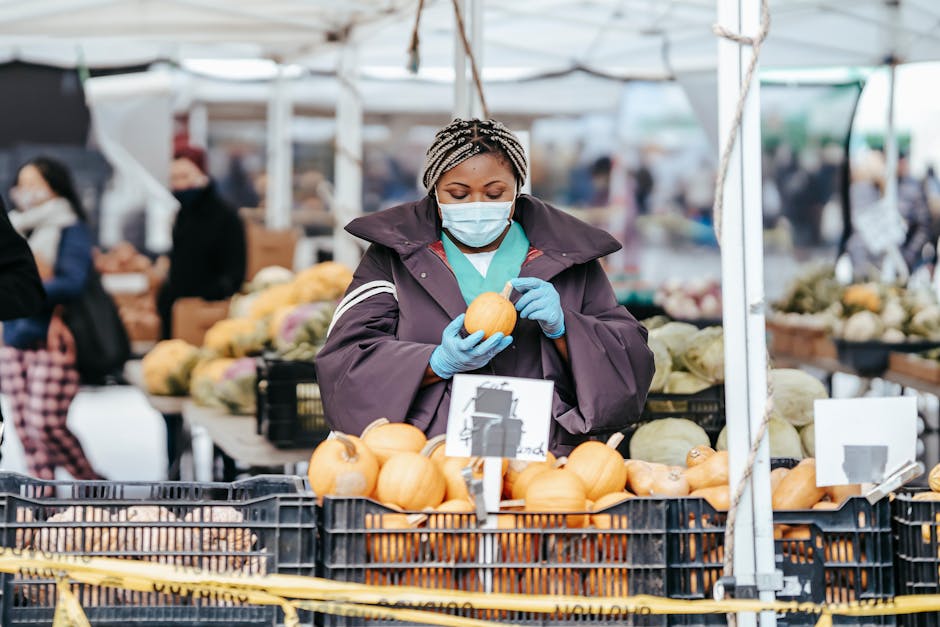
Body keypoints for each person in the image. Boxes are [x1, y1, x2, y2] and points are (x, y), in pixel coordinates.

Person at [316, 118, 655, 455]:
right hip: (429, 457)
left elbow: (630, 364)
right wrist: (434, 362)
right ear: (434, 190)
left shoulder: (570, 256)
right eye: (458, 194)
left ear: (517, 189)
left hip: (540, 459)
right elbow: (345, 364)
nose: (476, 205)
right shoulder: (392, 256)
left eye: (495, 194)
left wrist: (568, 329)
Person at [0, 157, 104, 480]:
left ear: (54, 186)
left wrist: (32, 283)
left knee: (44, 423)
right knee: (24, 431)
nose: (26, 191)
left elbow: (73, 281)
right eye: (22, 183)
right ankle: (44, 504)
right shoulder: (16, 224)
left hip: (52, 336)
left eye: (35, 183)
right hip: (13, 337)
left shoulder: (69, 226)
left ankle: (92, 487)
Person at [157, 146, 247, 339]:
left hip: (208, 319)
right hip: (178, 313)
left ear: (202, 174)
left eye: (185, 176)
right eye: (174, 178)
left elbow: (235, 273)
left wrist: (205, 298)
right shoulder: (182, 215)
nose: (179, 184)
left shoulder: (226, 217)